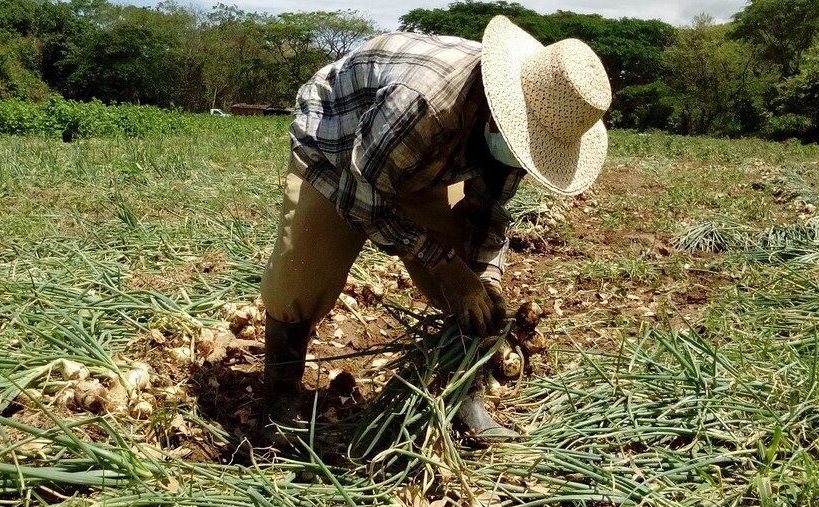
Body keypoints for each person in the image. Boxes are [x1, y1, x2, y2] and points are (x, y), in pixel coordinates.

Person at [259, 15, 611, 443]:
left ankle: (464, 395)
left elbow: (488, 211)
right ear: (499, 112)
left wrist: (484, 278)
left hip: (420, 161)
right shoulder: (423, 102)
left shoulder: (530, 125)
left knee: (469, 288)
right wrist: (446, 267)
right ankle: (280, 400)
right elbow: (363, 198)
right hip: (336, 145)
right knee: (301, 276)